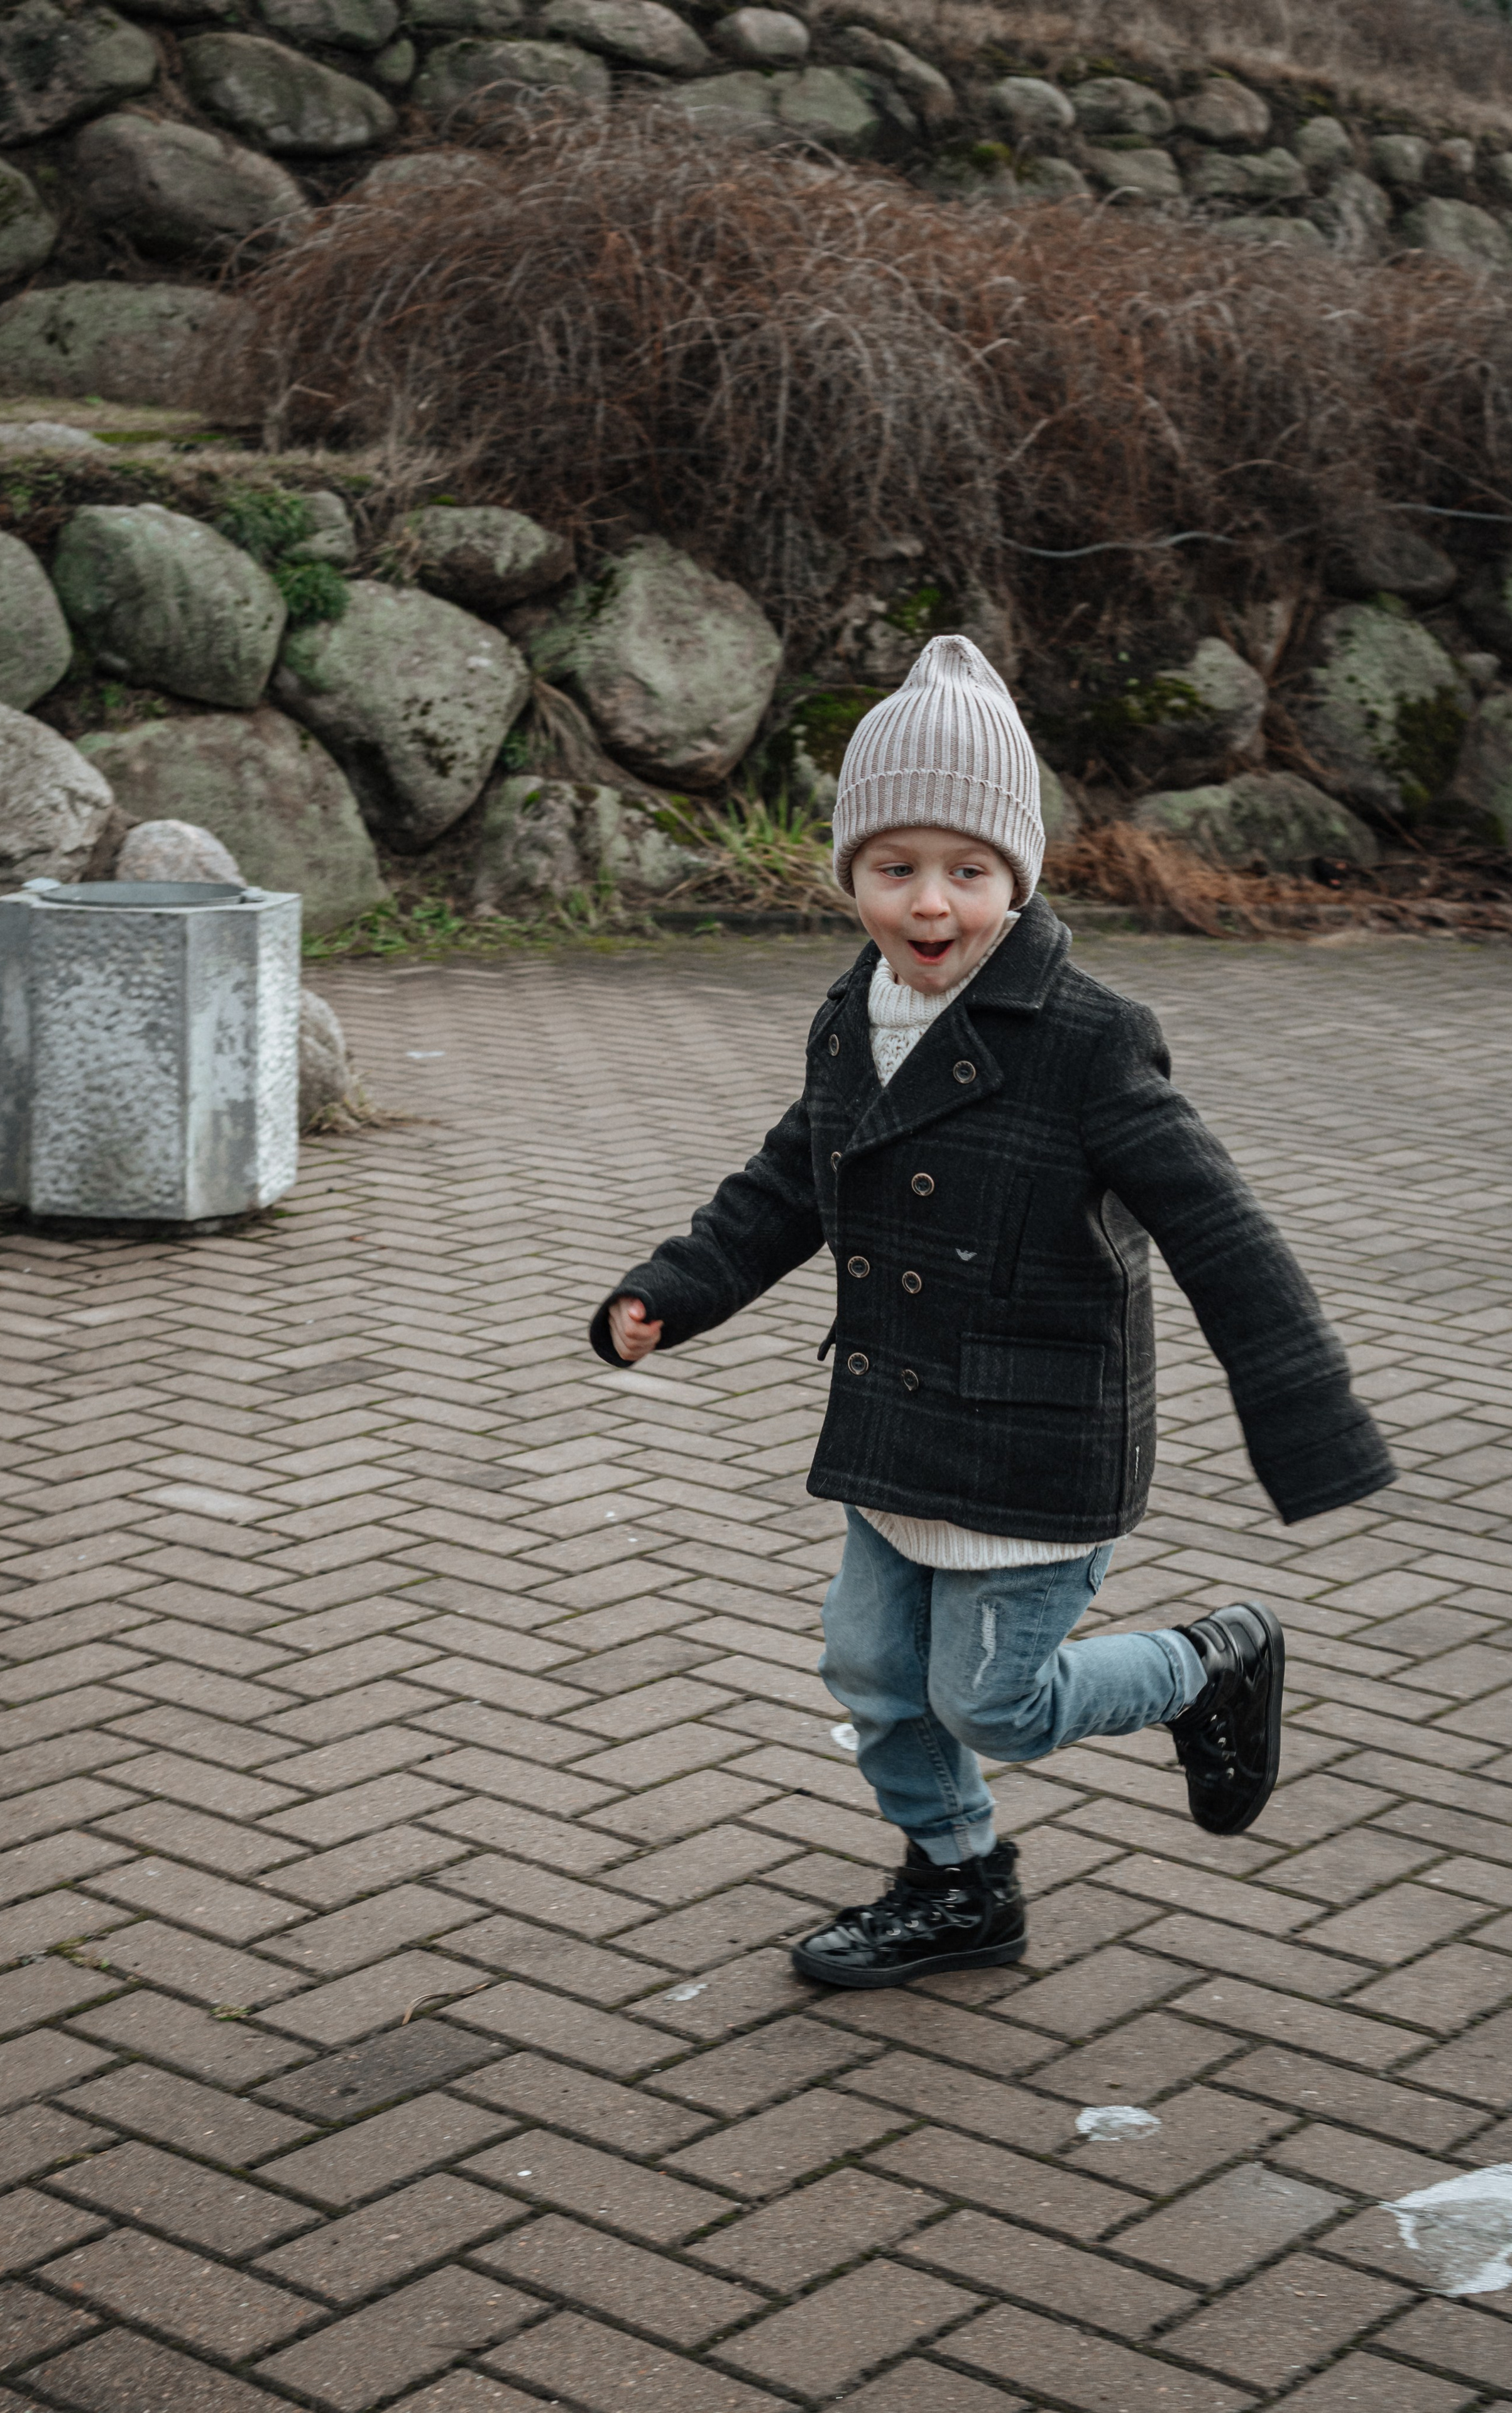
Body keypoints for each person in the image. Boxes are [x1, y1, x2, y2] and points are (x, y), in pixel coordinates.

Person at [588, 633, 1394, 1989]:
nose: (929, 903)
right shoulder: (853, 1015)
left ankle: (1205, 1665)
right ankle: (957, 1882)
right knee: (871, 1675)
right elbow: (789, 1180)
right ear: (849, 873)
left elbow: (1221, 1233)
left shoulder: (1086, 1038)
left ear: (1014, 878)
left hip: (1034, 1443)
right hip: (897, 1423)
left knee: (994, 1702)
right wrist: (670, 1289)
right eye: (893, 868)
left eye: (966, 871)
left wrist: (1305, 1418)